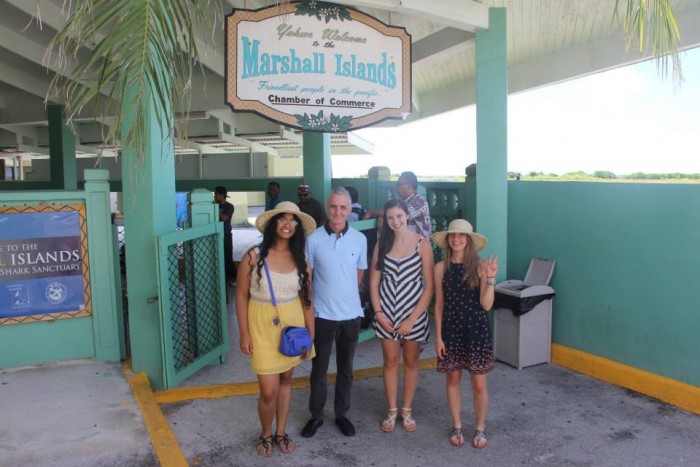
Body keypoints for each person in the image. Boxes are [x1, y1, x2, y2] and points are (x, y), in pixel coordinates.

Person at [235, 201, 318, 457]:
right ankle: (265, 433)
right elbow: (240, 296)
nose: (287, 224)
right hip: (261, 327)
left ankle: (280, 432)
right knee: (268, 389)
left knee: (286, 379)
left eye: (293, 220)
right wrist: (244, 333)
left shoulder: (301, 258)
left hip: (293, 328)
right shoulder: (253, 256)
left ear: (298, 227)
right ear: (273, 224)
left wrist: (311, 335)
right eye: (282, 219)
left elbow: (307, 300)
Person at [302, 187, 367, 438]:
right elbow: (308, 278)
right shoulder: (314, 239)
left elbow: (358, 276)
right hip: (322, 316)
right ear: (327, 208)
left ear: (350, 210)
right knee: (319, 370)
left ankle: (342, 414)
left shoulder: (359, 239)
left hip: (351, 316)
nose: (337, 211)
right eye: (333, 206)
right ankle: (316, 416)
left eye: (343, 207)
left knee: (346, 369)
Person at [431, 219, 498, 449]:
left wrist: (489, 279)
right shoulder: (441, 268)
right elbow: (439, 305)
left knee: (479, 384)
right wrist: (438, 336)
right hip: (451, 330)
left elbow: (487, 305)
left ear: (469, 241)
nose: (456, 239)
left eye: (461, 235)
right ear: (448, 240)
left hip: (476, 331)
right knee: (453, 378)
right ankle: (457, 425)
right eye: (452, 235)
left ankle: (480, 428)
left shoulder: (480, 266)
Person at [369, 198, 434, 433]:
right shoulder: (382, 244)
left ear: (406, 215)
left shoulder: (422, 244)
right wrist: (378, 313)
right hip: (386, 312)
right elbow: (374, 281)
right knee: (390, 361)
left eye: (399, 216)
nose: (395, 221)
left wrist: (411, 320)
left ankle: (406, 411)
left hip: (413, 314)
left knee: (411, 362)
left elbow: (429, 287)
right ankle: (392, 410)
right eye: (390, 217)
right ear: (385, 220)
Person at [213, 186, 235, 286]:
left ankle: (233, 278)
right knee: (218, 257)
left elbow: (224, 218)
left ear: (222, 195)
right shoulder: (213, 205)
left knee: (227, 257)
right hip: (216, 235)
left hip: (226, 235)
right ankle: (223, 279)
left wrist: (214, 210)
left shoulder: (229, 207)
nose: (215, 196)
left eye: (216, 194)